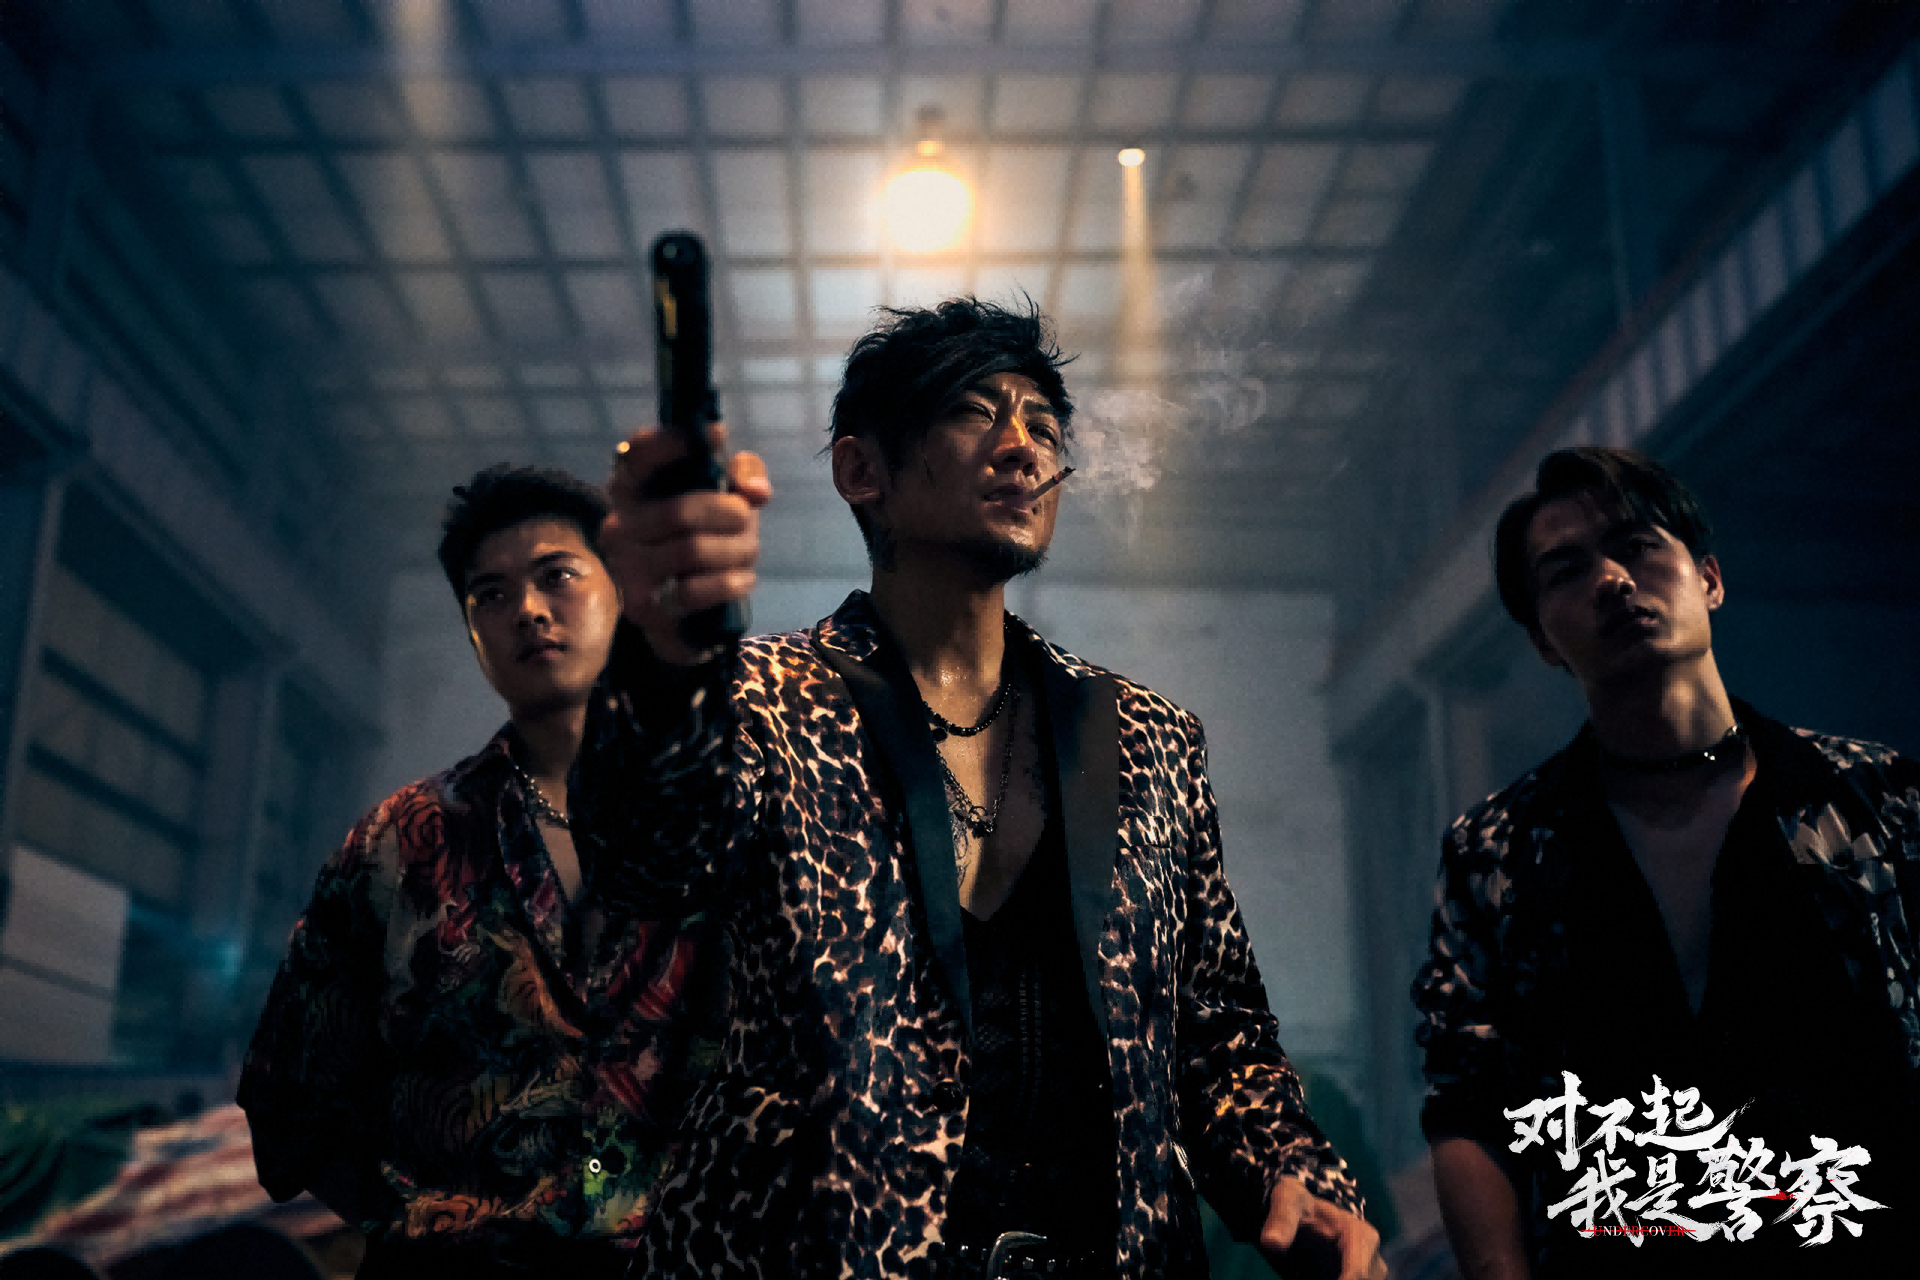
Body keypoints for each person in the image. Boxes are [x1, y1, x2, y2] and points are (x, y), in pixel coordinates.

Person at [580, 297, 1385, 1277]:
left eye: (1043, 425)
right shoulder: (758, 701)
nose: (1021, 447)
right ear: (861, 470)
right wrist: (660, 650)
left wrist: (1289, 1170)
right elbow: (641, 855)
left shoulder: (1147, 739)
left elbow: (1217, 1028)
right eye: (972, 411)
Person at [1410, 447, 1920, 1278]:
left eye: (1638, 546)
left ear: (1709, 578)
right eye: (1568, 571)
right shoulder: (1497, 851)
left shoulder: (1876, 799)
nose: (1613, 580)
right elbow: (1469, 1104)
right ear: (1541, 639)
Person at [237, 466, 728, 1279]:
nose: (527, 610)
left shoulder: (729, 820)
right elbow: (286, 1101)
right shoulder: (402, 842)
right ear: (472, 633)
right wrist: (424, 1225)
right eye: (490, 596)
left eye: (557, 576)